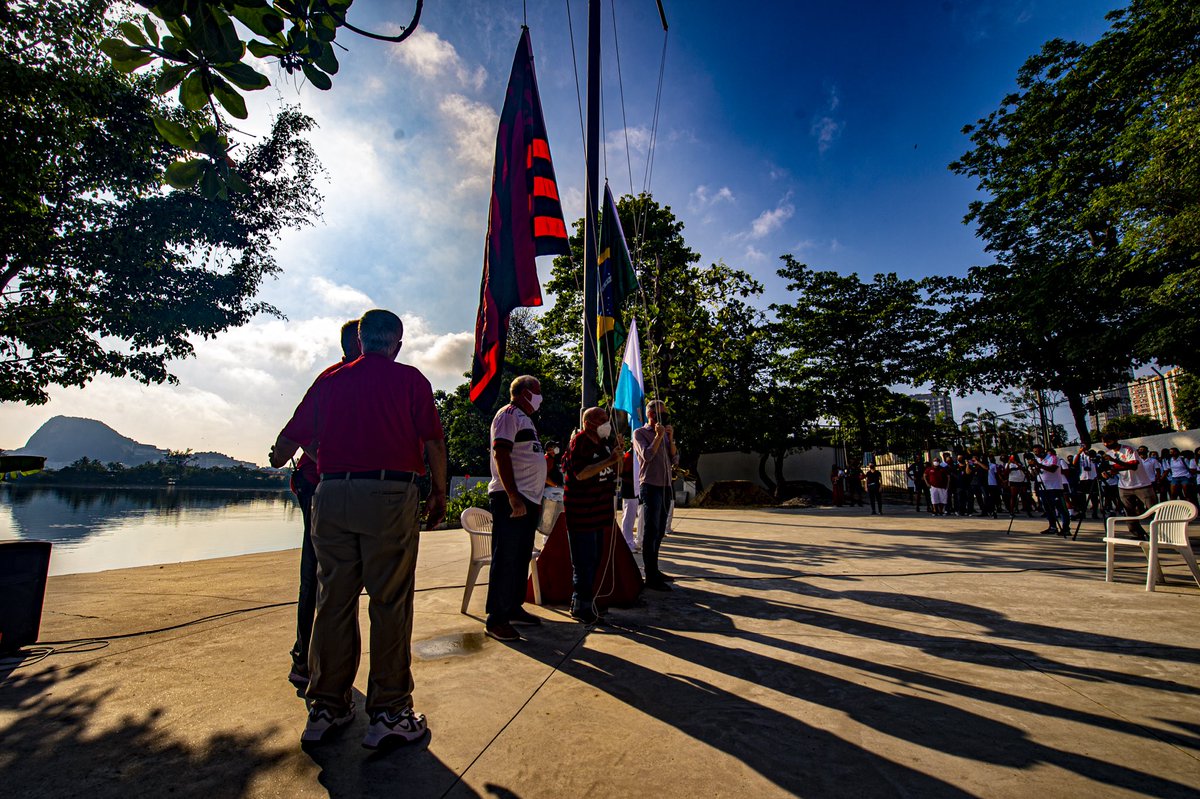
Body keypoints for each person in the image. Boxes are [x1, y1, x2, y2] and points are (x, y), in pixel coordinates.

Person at [269, 309, 446, 749]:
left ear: (360, 340)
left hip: (331, 495)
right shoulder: (411, 381)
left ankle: (327, 707)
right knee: (390, 602)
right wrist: (439, 492)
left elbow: (282, 448)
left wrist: (318, 447)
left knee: (333, 601)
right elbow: (433, 442)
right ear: (397, 344)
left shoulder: (330, 381)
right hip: (389, 493)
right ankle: (389, 712)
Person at [286, 319, 361, 690]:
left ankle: (324, 655)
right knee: (316, 572)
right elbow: (296, 436)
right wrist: (329, 463)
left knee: (337, 575)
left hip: (342, 488)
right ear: (355, 345)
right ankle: (304, 657)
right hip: (318, 485)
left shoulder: (362, 380)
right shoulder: (333, 379)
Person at [484, 375, 549, 643]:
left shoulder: (527, 420)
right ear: (523, 393)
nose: (540, 396)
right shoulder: (508, 415)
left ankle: (512, 606)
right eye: (537, 391)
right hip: (512, 498)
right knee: (507, 557)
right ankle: (496, 619)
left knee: (520, 556)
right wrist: (513, 495)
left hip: (529, 499)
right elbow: (501, 453)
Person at [562, 407, 623, 623]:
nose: (607, 423)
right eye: (602, 419)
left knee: (595, 560)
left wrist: (618, 455)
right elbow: (580, 473)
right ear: (588, 423)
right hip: (582, 512)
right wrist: (608, 461)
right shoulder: (580, 442)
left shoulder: (604, 443)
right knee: (584, 562)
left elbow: (616, 470)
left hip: (599, 512)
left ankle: (588, 599)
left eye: (607, 419)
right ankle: (581, 605)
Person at [633, 400, 678, 590]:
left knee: (660, 530)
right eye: (661, 414)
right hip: (650, 485)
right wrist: (658, 437)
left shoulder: (665, 434)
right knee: (650, 531)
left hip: (666, 485)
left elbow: (674, 459)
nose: (665, 417)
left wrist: (670, 438)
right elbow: (647, 456)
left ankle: (655, 568)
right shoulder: (640, 433)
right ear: (651, 415)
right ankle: (650, 575)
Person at [1100, 433, 1157, 538]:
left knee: (1154, 510)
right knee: (1129, 512)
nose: (1106, 444)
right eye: (1104, 442)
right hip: (1124, 486)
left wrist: (1113, 460)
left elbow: (1133, 466)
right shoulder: (1109, 453)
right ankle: (1138, 534)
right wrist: (1109, 473)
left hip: (1141, 484)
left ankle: (1162, 533)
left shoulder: (1128, 450)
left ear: (1115, 440)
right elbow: (1117, 469)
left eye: (1108, 441)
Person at [1030, 443, 1070, 537]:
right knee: (1048, 509)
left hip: (1055, 487)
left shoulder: (1053, 457)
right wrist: (1033, 469)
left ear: (1043, 450)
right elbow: (1034, 475)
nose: (1037, 453)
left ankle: (1066, 528)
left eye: (1038, 451)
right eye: (1035, 451)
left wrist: (1039, 465)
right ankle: (1052, 527)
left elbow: (1052, 469)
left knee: (1061, 508)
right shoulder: (1037, 460)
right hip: (1044, 487)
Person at [619, 447, 639, 551]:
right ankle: (627, 542)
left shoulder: (634, 455)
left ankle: (629, 540)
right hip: (629, 490)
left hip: (634, 491)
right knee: (628, 518)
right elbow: (623, 474)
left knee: (631, 518)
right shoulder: (629, 455)